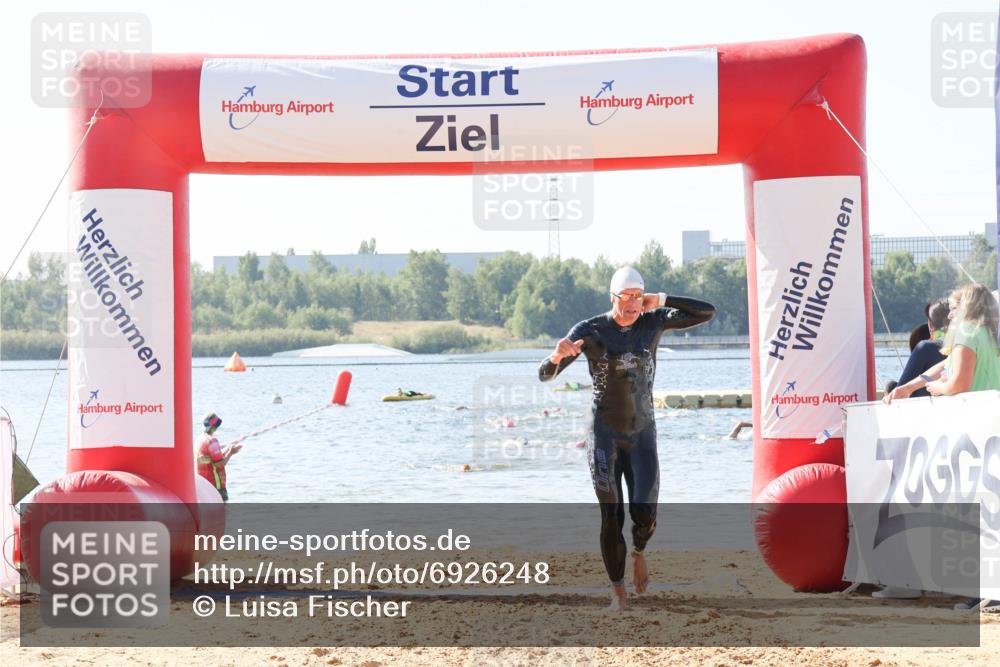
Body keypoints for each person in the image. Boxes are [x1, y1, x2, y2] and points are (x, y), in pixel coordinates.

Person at [538, 266, 715, 611]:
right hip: (604, 434)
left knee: (645, 513)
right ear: (613, 298)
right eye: (627, 297)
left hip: (642, 434)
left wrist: (660, 300)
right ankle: (617, 590)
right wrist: (556, 357)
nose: (633, 303)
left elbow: (706, 312)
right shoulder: (590, 331)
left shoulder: (654, 320)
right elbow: (545, 375)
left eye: (638, 295)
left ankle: (638, 552)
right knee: (612, 514)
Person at [883, 284, 1000, 611]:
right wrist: (911, 385)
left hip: (973, 430)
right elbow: (946, 363)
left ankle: (984, 592)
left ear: (966, 308)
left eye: (952, 307)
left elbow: (956, 381)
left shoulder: (965, 331)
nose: (949, 314)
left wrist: (934, 389)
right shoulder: (989, 335)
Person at [196, 412, 241, 502]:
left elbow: (211, 459)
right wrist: (231, 453)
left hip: (203, 484)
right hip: (216, 486)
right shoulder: (212, 441)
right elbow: (219, 464)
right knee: (220, 513)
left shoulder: (199, 439)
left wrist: (227, 451)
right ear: (215, 426)